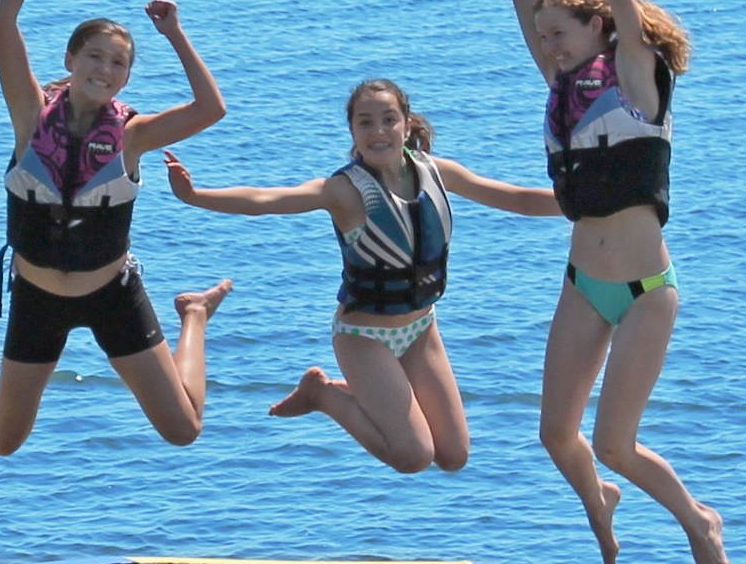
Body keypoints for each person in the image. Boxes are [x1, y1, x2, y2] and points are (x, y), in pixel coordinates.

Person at [509, 0, 729, 564]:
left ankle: (698, 523)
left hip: (643, 289)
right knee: (555, 435)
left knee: (615, 441)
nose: (549, 46)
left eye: (561, 33)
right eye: (542, 37)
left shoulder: (637, 84)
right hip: (582, 283)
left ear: (602, 29)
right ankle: (598, 503)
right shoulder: (564, 88)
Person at [164, 77, 559, 473]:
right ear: (353, 131)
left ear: (407, 124)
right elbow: (265, 200)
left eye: (389, 119)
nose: (378, 131)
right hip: (363, 338)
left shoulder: (438, 173)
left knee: (454, 456)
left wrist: (586, 204)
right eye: (365, 123)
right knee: (413, 456)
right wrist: (196, 195)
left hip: (421, 329)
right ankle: (323, 394)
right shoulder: (345, 192)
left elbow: (517, 198)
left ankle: (368, 397)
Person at [0, 0, 232, 455]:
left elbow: (211, 109)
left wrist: (176, 34)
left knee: (183, 431)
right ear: (70, 57)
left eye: (118, 64)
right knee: (5, 443)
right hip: (37, 297)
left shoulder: (133, 135)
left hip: (113, 293)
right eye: (94, 56)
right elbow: (1, 19)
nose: (104, 70)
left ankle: (195, 313)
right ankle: (2, 404)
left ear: (127, 76)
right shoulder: (29, 115)